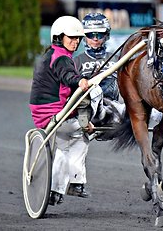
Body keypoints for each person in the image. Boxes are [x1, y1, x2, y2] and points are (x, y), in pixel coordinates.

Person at [29, 15, 93, 206]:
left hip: (42, 115)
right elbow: (68, 75)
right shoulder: (61, 57)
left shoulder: (49, 55)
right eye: (71, 38)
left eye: (77, 38)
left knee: (64, 148)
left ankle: (55, 191)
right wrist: (80, 81)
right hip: (54, 115)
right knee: (81, 137)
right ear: (59, 37)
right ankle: (76, 181)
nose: (75, 42)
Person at [74, 13, 125, 126]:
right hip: (88, 111)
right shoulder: (77, 61)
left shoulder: (117, 59)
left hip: (114, 107)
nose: (95, 39)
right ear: (84, 36)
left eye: (99, 34)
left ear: (106, 35)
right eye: (90, 34)